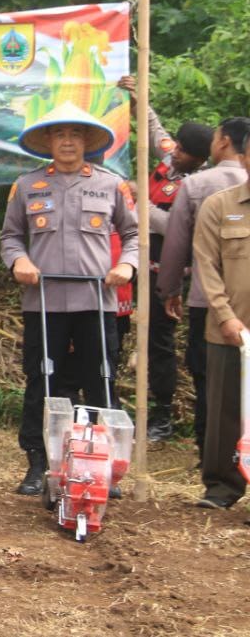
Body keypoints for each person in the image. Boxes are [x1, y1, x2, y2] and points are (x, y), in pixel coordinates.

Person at [0, 102, 138, 496]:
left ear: (86, 142)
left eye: (75, 134)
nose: (67, 141)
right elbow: (9, 236)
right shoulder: (27, 185)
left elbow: (133, 236)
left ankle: (102, 465)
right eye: (59, 134)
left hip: (97, 301)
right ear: (48, 141)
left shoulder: (111, 185)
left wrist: (127, 267)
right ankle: (38, 464)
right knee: (42, 383)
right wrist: (20, 260)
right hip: (44, 302)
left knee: (102, 382)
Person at [120, 74, 213, 441]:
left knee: (159, 339)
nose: (174, 152)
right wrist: (136, 97)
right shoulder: (172, 156)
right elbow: (152, 126)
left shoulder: (200, 184)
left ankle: (161, 415)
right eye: (175, 147)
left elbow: (175, 224)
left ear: (201, 158)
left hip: (164, 268)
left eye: (182, 151)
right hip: (132, 260)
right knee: (118, 328)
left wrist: (137, 200)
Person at [157, 117, 250, 463]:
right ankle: (225, 467)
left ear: (223, 141)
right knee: (220, 384)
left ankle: (209, 454)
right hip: (219, 311)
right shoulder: (221, 193)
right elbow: (201, 258)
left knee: (209, 386)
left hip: (204, 305)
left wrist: (168, 289)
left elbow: (177, 246)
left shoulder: (196, 184)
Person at [190, 143, 250, 509]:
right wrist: (225, 316)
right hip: (228, 330)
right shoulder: (220, 206)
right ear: (243, 157)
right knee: (224, 410)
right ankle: (222, 487)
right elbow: (206, 266)